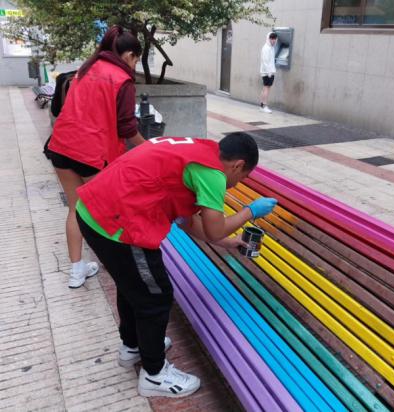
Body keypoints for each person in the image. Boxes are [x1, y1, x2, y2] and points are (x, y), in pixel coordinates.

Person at [75, 132, 277, 398]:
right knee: (155, 297)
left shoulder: (198, 151)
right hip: (119, 225)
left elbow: (189, 221)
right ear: (238, 165)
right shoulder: (213, 173)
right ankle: (154, 375)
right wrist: (250, 211)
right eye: (243, 178)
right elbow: (214, 230)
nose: (238, 184)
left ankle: (134, 346)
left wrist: (230, 243)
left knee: (132, 286)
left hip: (93, 212)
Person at [45, 25, 146, 288]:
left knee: (75, 209)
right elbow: (126, 129)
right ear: (128, 55)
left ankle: (77, 271)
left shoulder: (85, 69)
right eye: (136, 59)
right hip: (91, 155)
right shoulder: (122, 80)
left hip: (61, 148)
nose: (135, 65)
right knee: (113, 213)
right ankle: (124, 273)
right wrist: (150, 148)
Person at [259, 32, 278, 113]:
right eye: (272, 38)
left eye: (274, 39)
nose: (273, 40)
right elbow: (265, 61)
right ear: (268, 38)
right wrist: (269, 72)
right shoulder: (266, 48)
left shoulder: (271, 47)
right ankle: (264, 106)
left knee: (265, 88)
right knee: (267, 89)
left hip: (268, 71)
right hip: (267, 72)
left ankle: (262, 106)